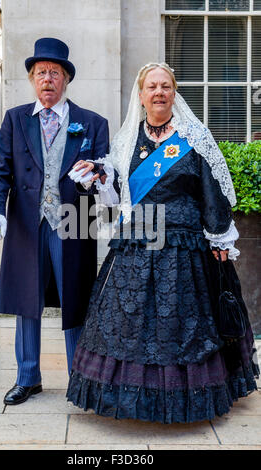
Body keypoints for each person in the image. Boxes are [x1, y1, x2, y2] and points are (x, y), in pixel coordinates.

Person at [66, 63, 259, 424]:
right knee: (128, 322)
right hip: (136, 243)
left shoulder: (194, 137)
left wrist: (219, 236)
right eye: (151, 86)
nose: (159, 92)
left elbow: (211, 192)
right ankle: (131, 399)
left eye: (166, 86)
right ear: (140, 96)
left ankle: (187, 398)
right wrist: (99, 175)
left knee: (183, 324)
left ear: (174, 93)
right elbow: (118, 196)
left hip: (185, 247)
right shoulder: (127, 140)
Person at [0, 38, 109, 405]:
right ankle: (28, 377)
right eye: (41, 73)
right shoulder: (15, 118)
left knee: (77, 298)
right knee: (26, 298)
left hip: (76, 219)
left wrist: (98, 173)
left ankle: (80, 378)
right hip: (27, 220)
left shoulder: (92, 122)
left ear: (66, 78)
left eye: (55, 72)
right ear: (31, 79)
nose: (47, 79)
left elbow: (107, 173)